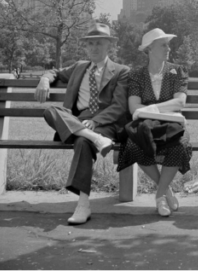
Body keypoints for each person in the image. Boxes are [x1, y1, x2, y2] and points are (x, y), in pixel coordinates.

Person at [37, 23, 130, 225]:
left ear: (109, 46)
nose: (94, 47)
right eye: (91, 44)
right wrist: (45, 79)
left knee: (81, 142)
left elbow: (119, 106)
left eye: (99, 43)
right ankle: (94, 138)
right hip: (78, 122)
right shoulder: (79, 67)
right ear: (86, 47)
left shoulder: (121, 71)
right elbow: (55, 72)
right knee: (50, 111)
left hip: (106, 122)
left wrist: (95, 122)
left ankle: (83, 204)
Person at [117, 28, 192, 217]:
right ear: (149, 49)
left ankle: (159, 196)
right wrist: (153, 110)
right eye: (163, 45)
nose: (168, 49)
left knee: (179, 146)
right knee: (134, 145)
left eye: (168, 45)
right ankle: (165, 190)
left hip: (172, 125)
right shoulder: (136, 74)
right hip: (145, 126)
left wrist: (150, 109)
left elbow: (180, 102)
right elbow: (134, 107)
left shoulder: (176, 71)